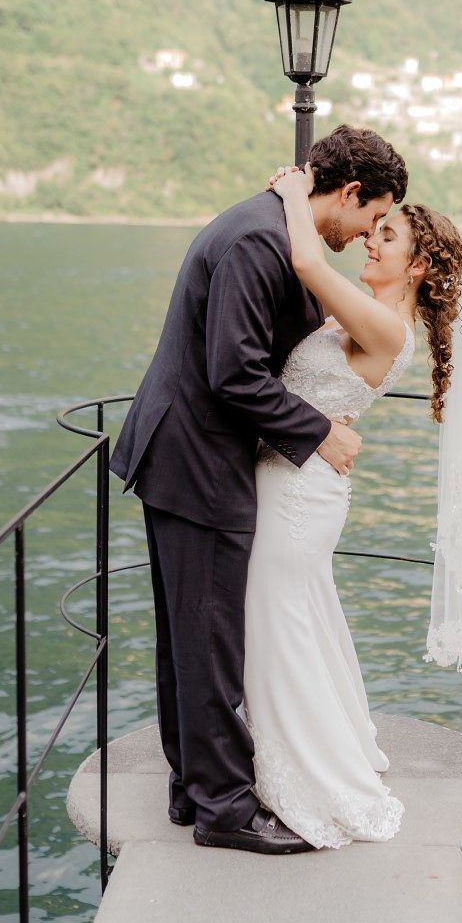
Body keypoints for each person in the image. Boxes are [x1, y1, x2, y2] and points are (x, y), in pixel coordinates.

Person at [109, 125, 407, 856]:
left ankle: (192, 788)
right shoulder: (258, 240)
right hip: (196, 457)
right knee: (209, 636)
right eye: (371, 217)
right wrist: (319, 433)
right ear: (349, 193)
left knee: (192, 634)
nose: (367, 233)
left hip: (194, 453)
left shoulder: (277, 226)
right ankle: (225, 812)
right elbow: (234, 373)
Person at [240, 163, 462, 848]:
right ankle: (296, 755)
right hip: (294, 483)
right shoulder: (369, 316)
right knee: (297, 625)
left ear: (419, 264)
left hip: (296, 495)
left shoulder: (387, 327)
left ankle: (308, 777)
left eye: (387, 235)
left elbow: (307, 258)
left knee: (280, 632)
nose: (371, 239)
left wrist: (288, 191)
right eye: (376, 228)